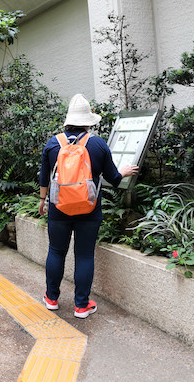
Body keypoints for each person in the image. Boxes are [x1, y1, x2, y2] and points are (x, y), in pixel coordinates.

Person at [38, 94, 138, 318]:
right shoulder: (97, 144)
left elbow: (44, 176)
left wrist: (42, 200)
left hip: (59, 208)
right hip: (89, 209)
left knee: (56, 251)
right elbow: (113, 178)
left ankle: (52, 298)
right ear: (88, 121)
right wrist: (125, 171)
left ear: (68, 120)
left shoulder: (53, 143)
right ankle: (81, 306)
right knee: (84, 255)